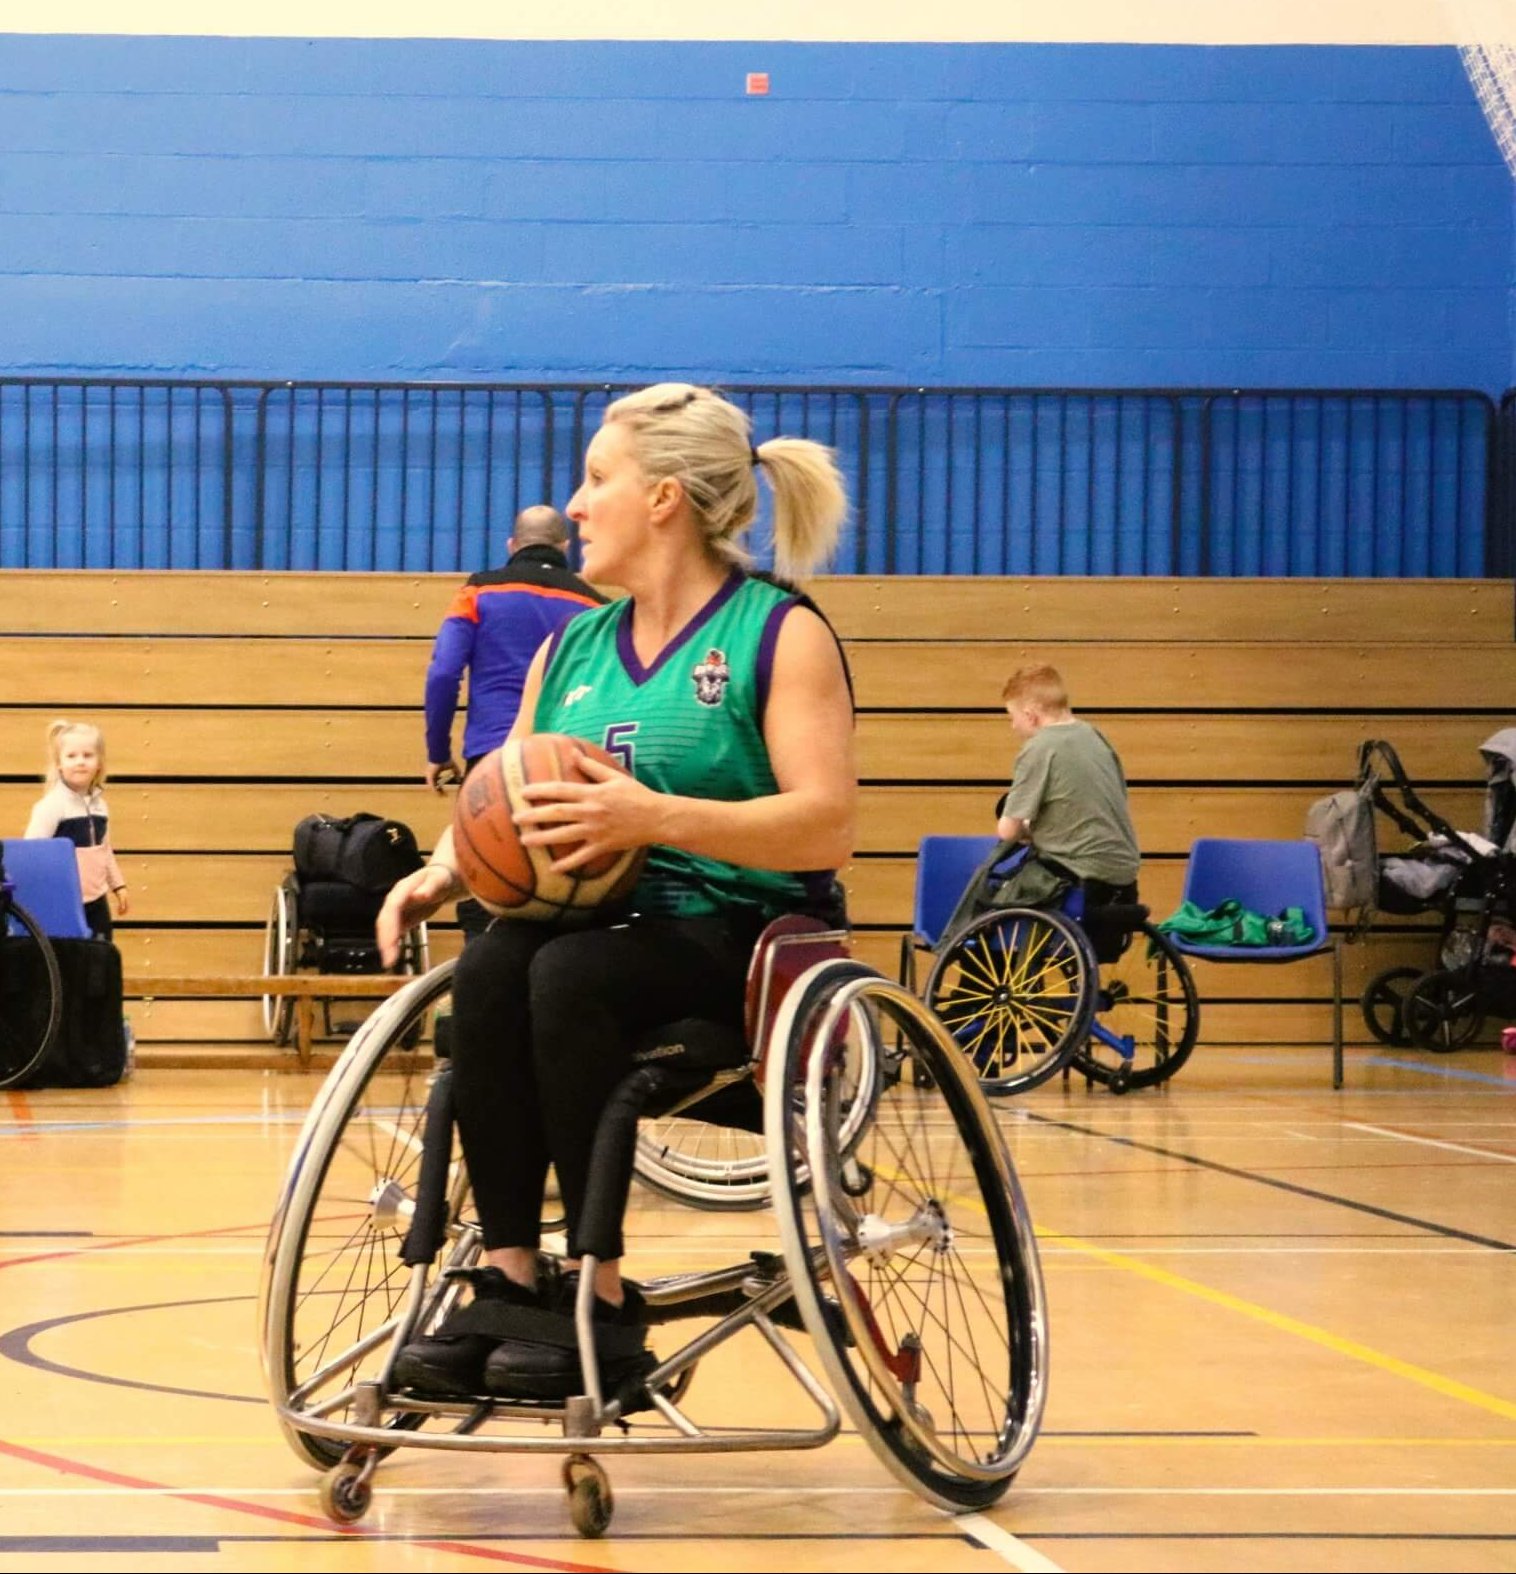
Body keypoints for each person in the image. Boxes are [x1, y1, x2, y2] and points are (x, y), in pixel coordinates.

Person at [377, 383, 855, 1400]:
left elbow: (828, 823)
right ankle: (510, 1275)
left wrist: (656, 816)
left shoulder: (779, 631)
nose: (576, 504)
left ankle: (599, 1289)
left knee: (568, 972)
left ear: (665, 499)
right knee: (498, 963)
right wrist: (438, 870)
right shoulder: (573, 646)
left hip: (739, 936)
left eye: (598, 479)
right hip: (598, 925)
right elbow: (507, 799)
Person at [423, 505, 605, 794]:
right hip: (565, 763)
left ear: (512, 545)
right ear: (565, 546)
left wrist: (438, 753)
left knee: (483, 839)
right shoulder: (597, 608)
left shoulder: (476, 593)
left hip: (492, 755)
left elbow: (443, 673)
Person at [991, 664, 1140, 909]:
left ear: (1030, 715)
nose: (1013, 727)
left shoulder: (1039, 748)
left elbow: (1007, 831)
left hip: (1077, 875)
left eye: (1012, 718)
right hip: (1123, 877)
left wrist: (1025, 830)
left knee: (993, 897)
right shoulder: (1095, 737)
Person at [24, 719, 129, 940]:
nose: (80, 762)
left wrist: (118, 885)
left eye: (88, 755)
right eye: (71, 756)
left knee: (99, 957)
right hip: (62, 901)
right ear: (59, 763)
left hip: (96, 901)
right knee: (69, 961)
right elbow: (32, 855)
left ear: (99, 763)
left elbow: (104, 850)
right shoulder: (51, 806)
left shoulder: (100, 806)